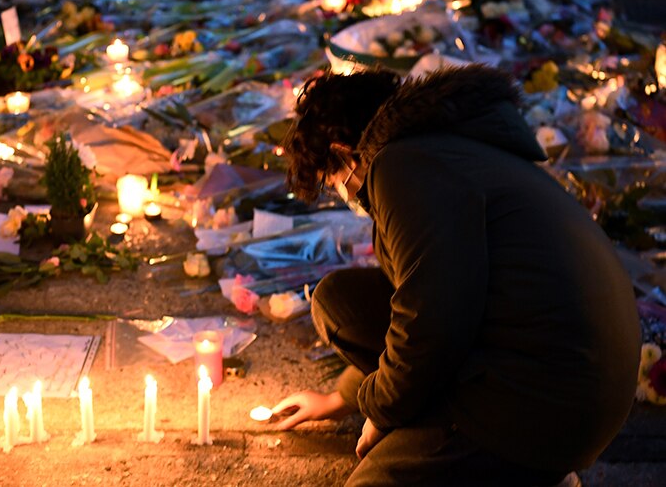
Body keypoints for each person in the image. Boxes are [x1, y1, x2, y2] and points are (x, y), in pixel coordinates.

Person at [274, 65, 640, 486]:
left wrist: (380, 410)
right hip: (574, 381)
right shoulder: (451, 148)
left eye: (334, 179)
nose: (343, 193)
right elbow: (416, 301)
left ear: (343, 152)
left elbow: (432, 321)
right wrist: (340, 398)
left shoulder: (401, 166)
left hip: (544, 399)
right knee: (339, 301)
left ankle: (527, 466)